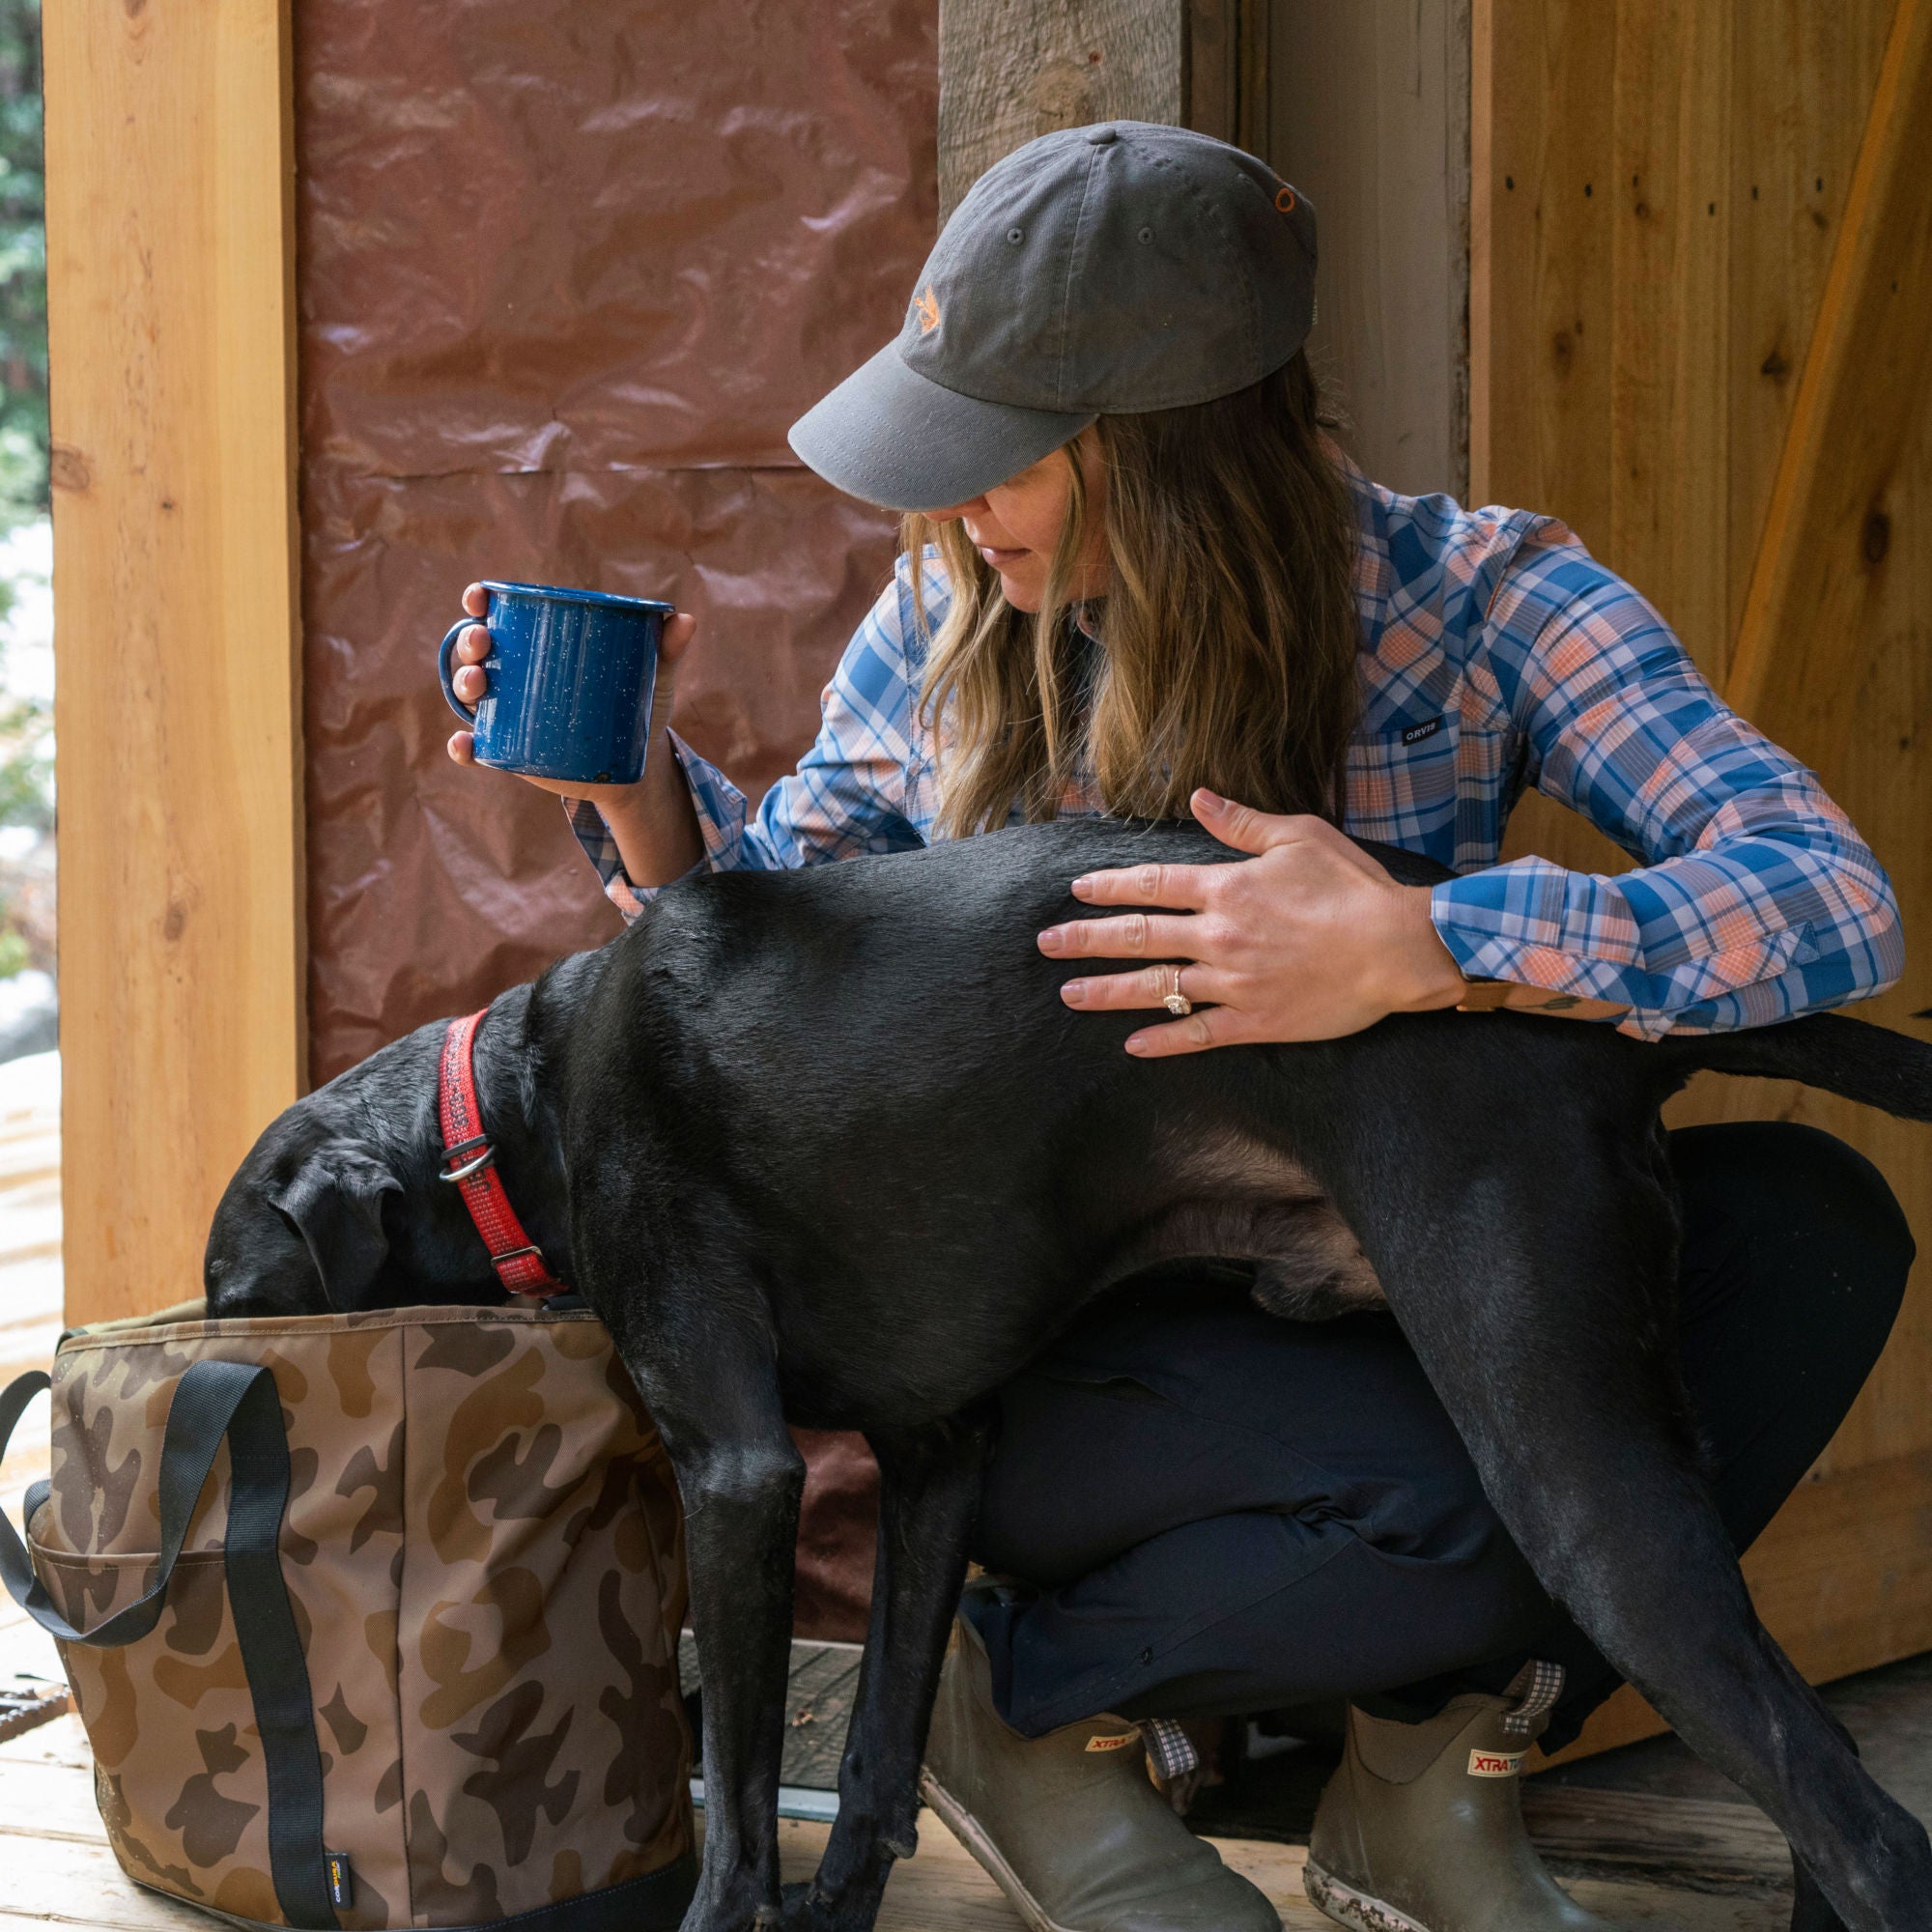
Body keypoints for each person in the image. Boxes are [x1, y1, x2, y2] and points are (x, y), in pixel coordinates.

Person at [448, 124, 1912, 1932]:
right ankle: (1006, 1716)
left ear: (1169, 448)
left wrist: (1420, 944)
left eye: (1002, 460)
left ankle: (1423, 1779)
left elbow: (1831, 901)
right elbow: (773, 959)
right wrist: (642, 802)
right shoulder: (947, 621)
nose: (956, 508)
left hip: (1374, 1241)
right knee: (1474, 1512)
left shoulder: (1482, 603)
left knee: (1805, 1233)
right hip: (1060, 1334)